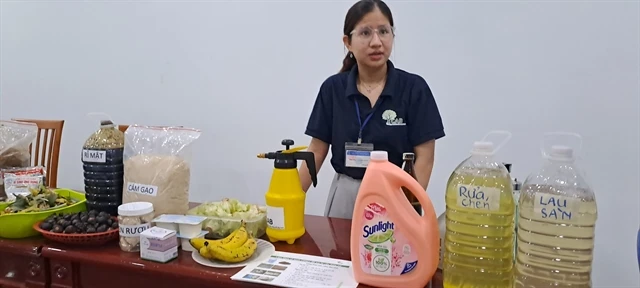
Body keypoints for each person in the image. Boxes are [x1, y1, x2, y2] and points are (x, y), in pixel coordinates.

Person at [300, 0, 445, 219]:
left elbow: (424, 157)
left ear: (392, 36)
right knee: (339, 252)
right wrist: (288, 199)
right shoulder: (333, 89)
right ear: (348, 42)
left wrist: (408, 204)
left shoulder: (414, 89)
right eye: (365, 33)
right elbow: (316, 150)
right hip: (345, 194)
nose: (376, 42)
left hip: (396, 193)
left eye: (384, 31)